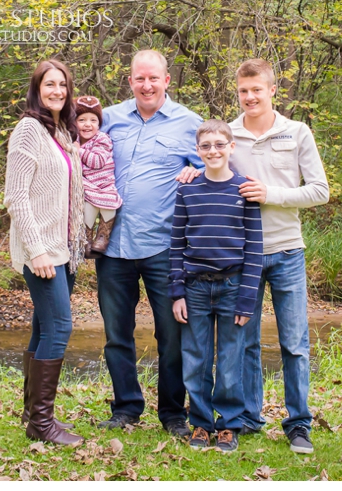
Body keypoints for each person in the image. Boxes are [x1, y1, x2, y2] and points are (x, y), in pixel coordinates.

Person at [95, 49, 204, 437]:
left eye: (153, 78)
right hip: (112, 248)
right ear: (130, 81)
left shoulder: (190, 124)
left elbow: (217, 168)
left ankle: (173, 413)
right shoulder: (108, 119)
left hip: (165, 248)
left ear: (167, 80)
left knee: (172, 336)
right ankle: (125, 408)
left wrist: (197, 171)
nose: (146, 85)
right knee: (116, 334)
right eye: (139, 78)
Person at [229, 58, 330, 454]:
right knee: (244, 341)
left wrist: (272, 194)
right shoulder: (228, 134)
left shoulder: (297, 132)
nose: (250, 97)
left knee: (294, 342)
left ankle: (298, 424)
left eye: (257, 89)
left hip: (288, 250)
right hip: (242, 254)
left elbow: (320, 191)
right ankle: (249, 418)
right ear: (237, 93)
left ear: (272, 90)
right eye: (243, 90)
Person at [4, 59, 87, 446]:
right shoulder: (28, 130)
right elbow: (16, 197)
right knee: (60, 327)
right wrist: (36, 251)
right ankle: (41, 423)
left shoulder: (63, 133)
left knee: (43, 326)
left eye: (63, 85)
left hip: (64, 249)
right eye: (49, 84)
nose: (57, 91)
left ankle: (30, 411)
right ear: (36, 88)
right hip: (42, 250)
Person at [169, 120, 263, 453]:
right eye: (206, 146)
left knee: (229, 360)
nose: (213, 151)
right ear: (197, 151)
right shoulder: (188, 190)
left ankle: (229, 424)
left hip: (233, 286)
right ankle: (200, 424)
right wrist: (177, 292)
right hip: (195, 287)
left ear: (231, 147)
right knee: (195, 358)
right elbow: (177, 244)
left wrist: (247, 298)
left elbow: (254, 248)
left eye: (219, 144)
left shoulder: (244, 190)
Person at [73, 96, 122, 258]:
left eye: (93, 120)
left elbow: (98, 161)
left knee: (109, 206)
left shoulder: (102, 139)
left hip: (104, 184)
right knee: (88, 209)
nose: (88, 124)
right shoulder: (74, 140)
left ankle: (102, 236)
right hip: (87, 186)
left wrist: (78, 151)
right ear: (74, 122)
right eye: (82, 120)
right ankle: (86, 239)